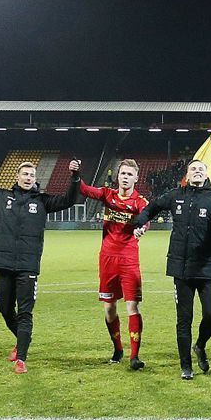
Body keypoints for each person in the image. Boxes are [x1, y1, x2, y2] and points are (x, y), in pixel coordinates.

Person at [0, 151, 82, 372]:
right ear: (17, 177)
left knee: (25, 312)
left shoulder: (43, 201)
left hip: (28, 266)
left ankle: (22, 359)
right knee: (5, 309)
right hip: (3, 262)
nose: (28, 177)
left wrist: (75, 177)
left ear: (35, 178)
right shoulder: (1, 197)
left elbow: (69, 200)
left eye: (32, 174)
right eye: (25, 174)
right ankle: (21, 341)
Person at [130, 160, 211, 380]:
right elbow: (151, 208)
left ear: (206, 175)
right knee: (183, 319)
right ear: (187, 174)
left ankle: (200, 345)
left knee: (210, 315)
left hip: (207, 267)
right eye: (193, 169)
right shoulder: (175, 195)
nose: (197, 171)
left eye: (201, 169)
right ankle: (185, 366)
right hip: (181, 268)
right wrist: (139, 223)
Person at [78, 158, 150, 369]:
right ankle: (118, 349)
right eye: (123, 173)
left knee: (132, 305)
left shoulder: (140, 202)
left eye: (130, 174)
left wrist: (141, 228)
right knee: (109, 308)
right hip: (107, 258)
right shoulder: (107, 195)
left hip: (129, 259)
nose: (125, 177)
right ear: (118, 176)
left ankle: (134, 356)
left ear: (136, 178)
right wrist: (75, 174)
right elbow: (84, 189)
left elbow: (146, 218)